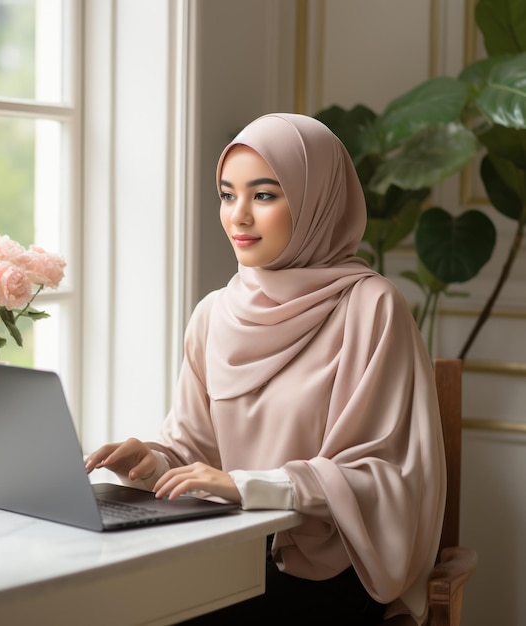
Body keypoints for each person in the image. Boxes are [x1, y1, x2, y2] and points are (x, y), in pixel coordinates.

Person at [85, 113, 446, 625]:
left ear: (317, 200)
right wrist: (155, 464)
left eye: (264, 195)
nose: (239, 217)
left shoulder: (371, 308)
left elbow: (382, 477)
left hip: (329, 571)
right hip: (225, 554)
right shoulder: (213, 313)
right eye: (228, 195)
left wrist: (251, 486)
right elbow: (196, 451)